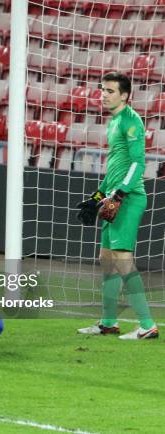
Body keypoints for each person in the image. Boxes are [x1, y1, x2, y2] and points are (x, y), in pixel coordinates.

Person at [76, 72, 158, 340]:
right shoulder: (113, 122)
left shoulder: (131, 121)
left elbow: (137, 162)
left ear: (124, 95)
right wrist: (98, 197)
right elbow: (115, 168)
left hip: (130, 198)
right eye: (103, 90)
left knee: (123, 259)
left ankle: (147, 325)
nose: (104, 94)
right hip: (116, 197)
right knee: (107, 259)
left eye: (110, 91)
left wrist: (120, 193)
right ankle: (108, 322)